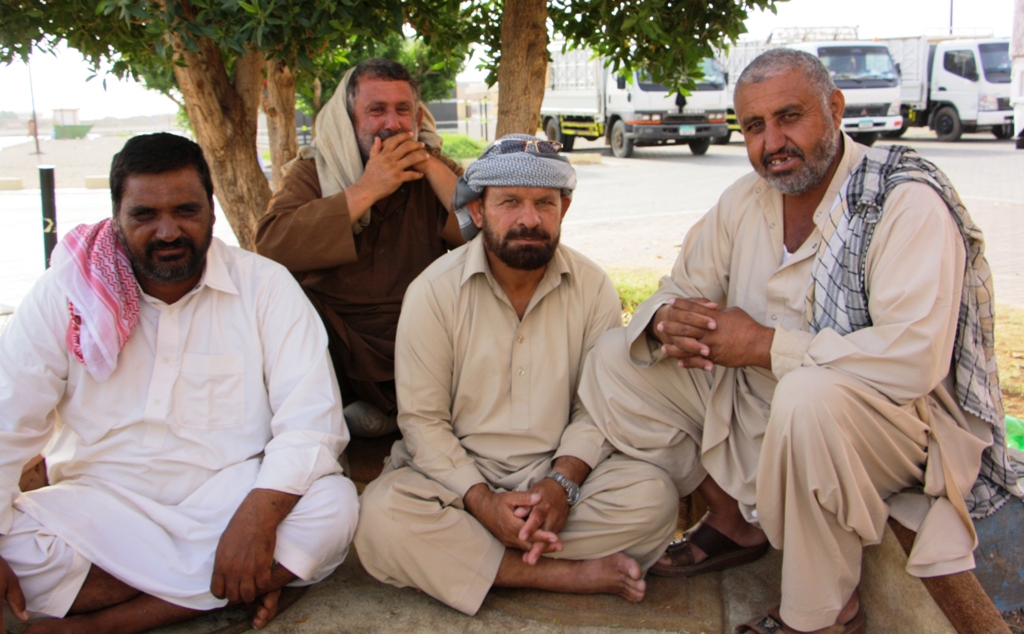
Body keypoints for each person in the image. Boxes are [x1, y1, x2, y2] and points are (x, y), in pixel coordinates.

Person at [579, 49, 1024, 634]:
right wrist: (668, 320)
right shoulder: (746, 199)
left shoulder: (901, 201)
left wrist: (766, 346)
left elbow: (911, 362)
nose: (773, 143)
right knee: (616, 361)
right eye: (755, 127)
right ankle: (737, 520)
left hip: (889, 422)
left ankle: (821, 616)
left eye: (790, 117)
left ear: (834, 109)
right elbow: (680, 287)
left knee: (809, 397)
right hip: (766, 395)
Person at [0, 133, 358, 633]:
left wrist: (256, 518)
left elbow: (312, 422)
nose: (168, 231)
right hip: (98, 509)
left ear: (211, 210)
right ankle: (233, 586)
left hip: (228, 501)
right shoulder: (66, 294)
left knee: (333, 507)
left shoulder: (265, 286)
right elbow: (7, 422)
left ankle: (109, 623)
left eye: (186, 211)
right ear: (117, 215)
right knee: (11, 548)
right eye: (144, 215)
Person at [353, 135, 678, 615]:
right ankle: (565, 574)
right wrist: (482, 503)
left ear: (563, 209)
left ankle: (474, 563)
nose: (529, 219)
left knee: (654, 499)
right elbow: (422, 422)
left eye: (544, 204)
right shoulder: (434, 293)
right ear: (479, 211)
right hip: (457, 484)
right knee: (381, 517)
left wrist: (560, 485)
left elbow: (597, 409)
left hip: (555, 482)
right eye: (509, 203)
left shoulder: (593, 288)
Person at [255, 58, 464, 438]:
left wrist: (430, 166)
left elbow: (488, 229)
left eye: (403, 110)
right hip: (339, 340)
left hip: (420, 332)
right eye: (376, 110)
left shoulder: (434, 169)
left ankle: (398, 414)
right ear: (350, 118)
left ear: (417, 116)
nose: (392, 123)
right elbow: (271, 245)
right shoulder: (314, 171)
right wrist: (368, 188)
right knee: (295, 318)